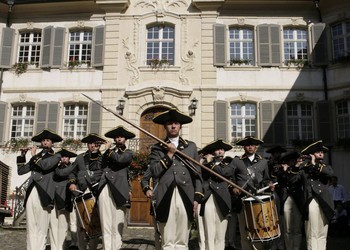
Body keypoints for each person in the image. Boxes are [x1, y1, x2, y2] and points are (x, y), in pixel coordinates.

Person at [147, 108, 203, 249]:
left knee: (182, 240)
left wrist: (197, 197)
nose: (173, 126)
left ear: (180, 126)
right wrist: (169, 155)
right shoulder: (157, 148)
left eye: (176, 123)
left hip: (186, 194)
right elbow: (154, 171)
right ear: (165, 126)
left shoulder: (190, 147)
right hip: (166, 194)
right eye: (170, 123)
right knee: (167, 240)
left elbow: (198, 175)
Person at [16, 129, 63, 250]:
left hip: (45, 191)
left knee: (42, 227)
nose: (45, 142)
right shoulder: (35, 157)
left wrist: (33, 156)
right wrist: (22, 156)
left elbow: (45, 166)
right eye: (43, 140)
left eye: (47, 140)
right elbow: (21, 171)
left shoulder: (56, 156)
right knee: (31, 225)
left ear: (52, 143)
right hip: (32, 190)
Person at [230, 136, 274, 250]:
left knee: (257, 229)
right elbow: (230, 179)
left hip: (257, 199)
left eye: (253, 145)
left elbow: (266, 179)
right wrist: (233, 188)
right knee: (244, 230)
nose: (250, 147)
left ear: (256, 147)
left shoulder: (263, 161)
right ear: (244, 147)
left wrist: (270, 185)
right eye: (248, 145)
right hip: (242, 199)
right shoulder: (236, 161)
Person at [97, 126, 135, 250]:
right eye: (117, 137)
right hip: (105, 186)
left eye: (121, 137)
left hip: (120, 189)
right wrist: (104, 151)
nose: (119, 139)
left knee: (117, 223)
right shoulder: (109, 152)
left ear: (125, 139)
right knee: (105, 222)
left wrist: (109, 151)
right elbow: (100, 165)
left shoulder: (129, 152)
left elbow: (120, 160)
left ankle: (116, 247)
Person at [69, 133, 106, 250]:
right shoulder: (80, 158)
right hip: (81, 191)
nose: (92, 146)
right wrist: (72, 183)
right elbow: (72, 172)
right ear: (87, 145)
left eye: (95, 144)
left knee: (95, 222)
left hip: (97, 193)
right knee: (81, 223)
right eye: (90, 143)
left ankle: (93, 247)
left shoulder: (103, 157)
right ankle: (81, 247)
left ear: (98, 145)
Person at [199, 139, 234, 250]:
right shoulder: (204, 164)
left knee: (221, 233)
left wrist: (210, 163)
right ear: (212, 152)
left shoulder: (229, 164)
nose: (220, 152)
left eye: (222, 149)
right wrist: (202, 162)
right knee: (209, 232)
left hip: (223, 199)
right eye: (218, 150)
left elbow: (224, 173)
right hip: (208, 198)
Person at [301, 140, 334, 250]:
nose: (321, 154)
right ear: (312, 155)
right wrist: (296, 165)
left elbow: (330, 174)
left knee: (322, 233)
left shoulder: (326, 167)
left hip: (324, 201)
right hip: (312, 200)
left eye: (322, 152)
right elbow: (294, 180)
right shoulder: (304, 168)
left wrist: (315, 164)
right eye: (318, 152)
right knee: (312, 233)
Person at [50, 148, 78, 250]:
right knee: (61, 222)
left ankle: (75, 243)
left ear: (69, 158)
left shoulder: (72, 167)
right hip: (59, 196)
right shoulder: (57, 168)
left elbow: (72, 177)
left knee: (73, 221)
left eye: (65, 157)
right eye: (62, 157)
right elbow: (58, 174)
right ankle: (62, 243)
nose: (63, 159)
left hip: (71, 196)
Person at [277, 151, 305, 250]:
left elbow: (294, 180)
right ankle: (289, 248)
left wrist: (296, 167)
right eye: (291, 161)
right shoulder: (281, 171)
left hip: (297, 200)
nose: (292, 162)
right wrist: (284, 171)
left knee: (297, 228)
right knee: (287, 229)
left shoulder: (300, 170)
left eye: (294, 160)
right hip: (286, 200)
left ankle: (296, 248)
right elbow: (283, 180)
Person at [266, 145, 287, 250]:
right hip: (272, 193)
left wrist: (283, 169)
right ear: (272, 154)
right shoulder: (267, 164)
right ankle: (272, 244)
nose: (277, 155)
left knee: (281, 220)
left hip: (282, 192)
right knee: (272, 219)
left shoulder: (284, 165)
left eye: (279, 153)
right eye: (275, 153)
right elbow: (266, 177)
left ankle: (280, 244)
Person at [141, 166, 161, 250]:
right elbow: (144, 179)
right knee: (159, 232)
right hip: (158, 200)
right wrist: (147, 189)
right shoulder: (156, 163)